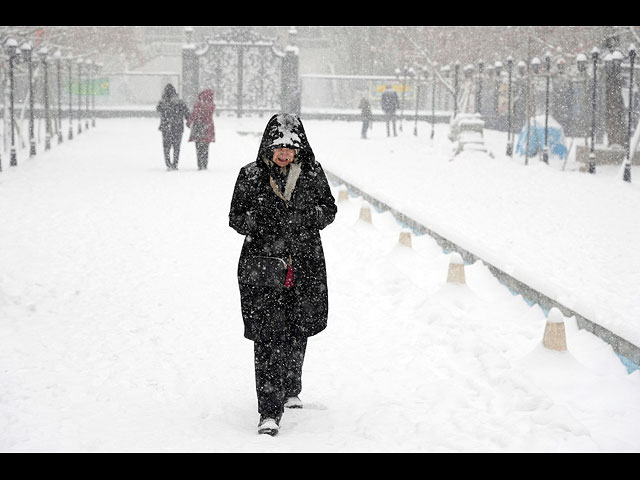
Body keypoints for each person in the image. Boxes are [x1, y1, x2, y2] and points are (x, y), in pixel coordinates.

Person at [228, 113, 337, 436]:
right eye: (279, 147)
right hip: (264, 267)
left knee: (297, 327)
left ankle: (290, 386)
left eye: (290, 148)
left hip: (304, 264)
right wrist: (257, 222)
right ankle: (269, 411)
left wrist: (310, 217)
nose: (284, 153)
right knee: (267, 337)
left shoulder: (312, 174)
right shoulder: (250, 176)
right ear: (268, 147)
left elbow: (328, 208)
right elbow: (235, 217)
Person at [156, 84, 190, 170]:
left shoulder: (162, 102)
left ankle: (168, 163)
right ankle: (175, 164)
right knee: (176, 147)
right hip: (178, 127)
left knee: (166, 147)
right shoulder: (180, 102)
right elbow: (187, 114)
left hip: (166, 127)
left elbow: (158, 109)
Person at [187, 89, 216, 170]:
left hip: (198, 127)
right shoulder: (212, 104)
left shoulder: (199, 104)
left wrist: (189, 122)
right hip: (208, 127)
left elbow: (194, 114)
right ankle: (205, 164)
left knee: (198, 147)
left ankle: (200, 164)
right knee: (206, 147)